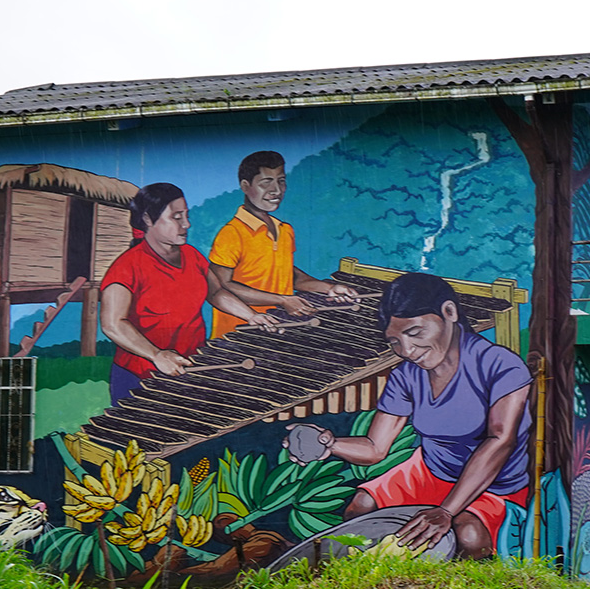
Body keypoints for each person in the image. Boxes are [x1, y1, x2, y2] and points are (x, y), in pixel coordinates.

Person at [285, 272, 531, 558]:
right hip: (431, 471)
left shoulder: (501, 366)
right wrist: (329, 445)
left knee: (469, 536)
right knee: (360, 508)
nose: (407, 351)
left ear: (449, 312)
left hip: (495, 484)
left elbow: (500, 441)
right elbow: (376, 448)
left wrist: (446, 510)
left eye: (415, 333)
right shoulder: (406, 376)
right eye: (394, 342)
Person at [97, 183, 230, 404]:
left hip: (189, 373)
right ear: (149, 219)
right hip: (139, 380)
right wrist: (156, 355)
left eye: (186, 215)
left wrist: (252, 316)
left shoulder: (192, 256)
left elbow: (216, 293)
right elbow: (112, 323)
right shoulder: (127, 267)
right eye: (177, 217)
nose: (186, 224)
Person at [207, 150, 359, 337]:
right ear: (245, 186)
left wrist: (330, 289)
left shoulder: (285, 230)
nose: (276, 191)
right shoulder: (231, 234)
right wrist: (282, 300)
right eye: (266, 183)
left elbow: (291, 277)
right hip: (238, 333)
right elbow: (221, 287)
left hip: (278, 329)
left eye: (281, 181)